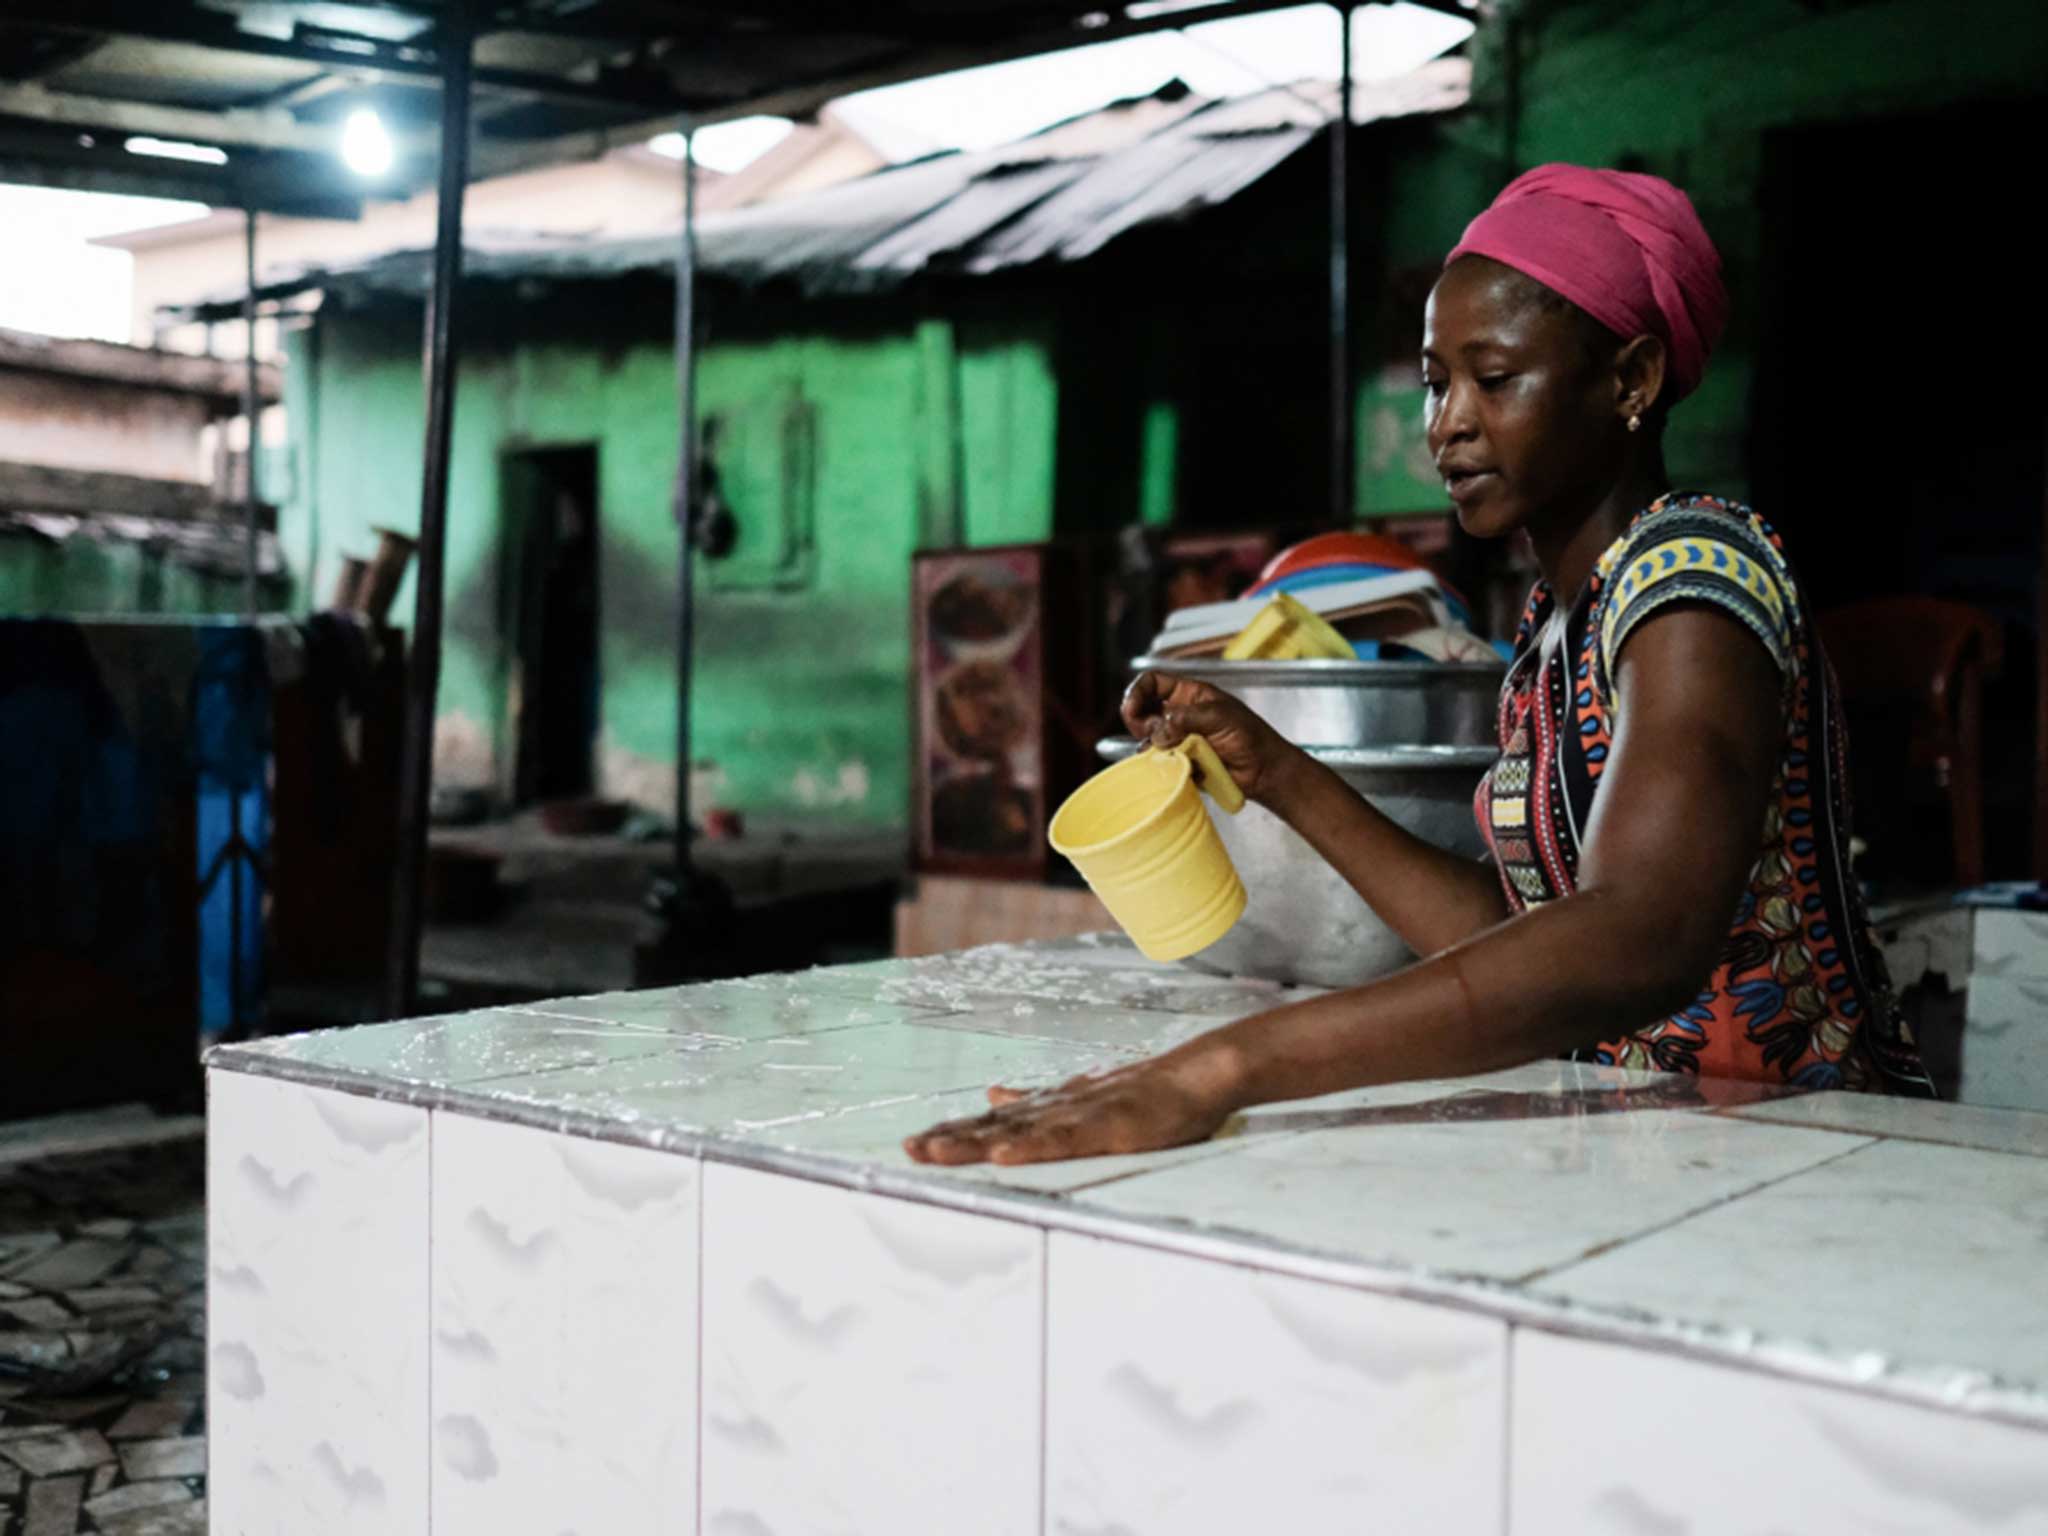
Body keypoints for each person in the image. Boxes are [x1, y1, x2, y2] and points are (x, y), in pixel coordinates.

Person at [904, 164, 1931, 1169]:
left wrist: (1218, 1071)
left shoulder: (1694, 578)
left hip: (1802, 1150)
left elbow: (1635, 934)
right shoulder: (1551, 624)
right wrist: (1278, 775)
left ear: (1630, 380)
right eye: (1436, 383)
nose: (1446, 423)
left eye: (1493, 379)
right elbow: (1523, 939)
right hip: (1652, 1141)